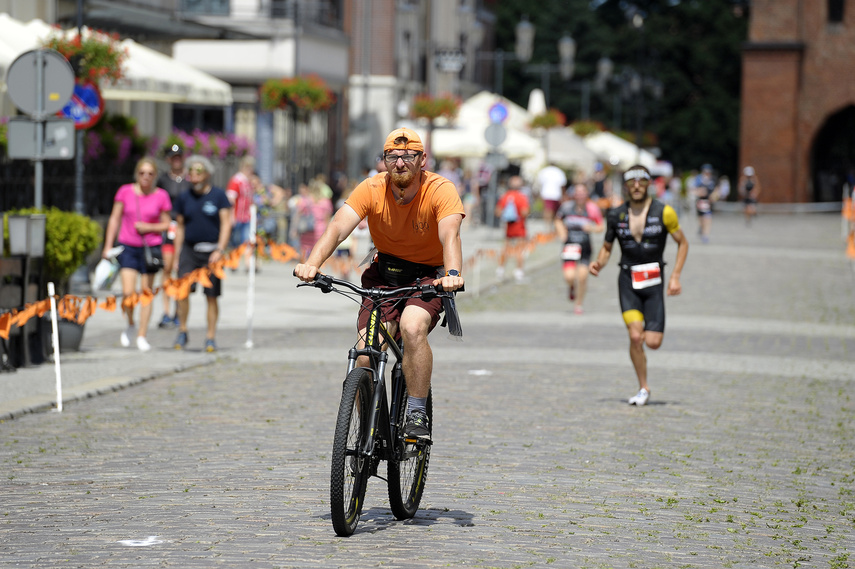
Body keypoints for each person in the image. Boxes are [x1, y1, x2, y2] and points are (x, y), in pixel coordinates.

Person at [293, 127, 465, 440]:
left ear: (422, 159)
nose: (400, 163)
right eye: (392, 156)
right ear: (384, 160)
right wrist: (311, 264)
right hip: (383, 275)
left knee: (413, 328)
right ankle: (366, 429)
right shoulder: (371, 188)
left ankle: (416, 409)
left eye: (408, 156)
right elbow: (337, 227)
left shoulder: (441, 189)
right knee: (363, 353)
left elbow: (450, 234)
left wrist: (452, 275)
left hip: (427, 277)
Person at [589, 164, 689, 407]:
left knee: (653, 342)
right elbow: (607, 248)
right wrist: (599, 264)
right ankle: (643, 387)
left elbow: (683, 243)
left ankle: (646, 349)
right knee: (635, 336)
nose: (636, 187)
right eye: (631, 183)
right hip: (627, 281)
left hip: (654, 282)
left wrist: (675, 275)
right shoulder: (615, 215)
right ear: (625, 186)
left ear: (648, 185)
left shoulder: (664, 212)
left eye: (641, 182)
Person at [101, 157, 172, 352]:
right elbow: (115, 219)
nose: (146, 177)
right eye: (142, 173)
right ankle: (131, 323)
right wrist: (107, 246)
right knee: (128, 293)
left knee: (146, 294)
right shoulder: (125, 191)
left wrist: (149, 227)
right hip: (128, 246)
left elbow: (167, 224)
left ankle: (142, 334)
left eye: (150, 173)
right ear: (136, 174)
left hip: (151, 248)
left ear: (155, 176)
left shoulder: (161, 195)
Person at [172, 155, 232, 353]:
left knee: (211, 296)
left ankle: (210, 336)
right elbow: (180, 227)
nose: (194, 175)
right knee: (182, 292)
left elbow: (226, 224)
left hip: (212, 251)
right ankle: (182, 329)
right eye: (191, 171)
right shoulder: (184, 197)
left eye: (198, 171)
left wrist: (220, 249)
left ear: (207, 174)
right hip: (189, 250)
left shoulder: (218, 196)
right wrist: (176, 255)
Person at [155, 143, 192, 329]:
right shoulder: (163, 180)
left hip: (185, 228)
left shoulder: (189, 179)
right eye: (173, 157)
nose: (176, 160)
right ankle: (166, 310)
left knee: (182, 269)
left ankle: (179, 310)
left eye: (179, 157)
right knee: (168, 268)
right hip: (169, 228)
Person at [555, 183, 605, 314]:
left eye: (583, 192)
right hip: (570, 246)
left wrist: (592, 228)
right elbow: (558, 220)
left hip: (585, 247)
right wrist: (561, 232)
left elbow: (601, 226)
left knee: (582, 277)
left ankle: (579, 304)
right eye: (577, 192)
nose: (580, 195)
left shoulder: (592, 209)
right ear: (574, 194)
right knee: (569, 276)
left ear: (587, 194)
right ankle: (571, 286)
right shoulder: (566, 207)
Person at [494, 175, 531, 282]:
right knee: (520, 250)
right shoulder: (522, 197)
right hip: (520, 227)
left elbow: (498, 212)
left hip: (508, 227)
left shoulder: (505, 196)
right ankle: (519, 271)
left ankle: (500, 269)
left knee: (506, 249)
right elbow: (525, 212)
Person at [226, 155, 256, 270]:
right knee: (235, 241)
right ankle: (234, 262)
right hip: (237, 216)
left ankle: (248, 263)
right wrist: (231, 215)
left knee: (247, 241)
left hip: (247, 217)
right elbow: (231, 199)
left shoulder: (248, 181)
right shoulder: (236, 180)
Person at [295, 180, 334, 261]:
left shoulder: (305, 200)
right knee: (317, 248)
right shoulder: (325, 202)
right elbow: (327, 217)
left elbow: (298, 214)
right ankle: (315, 267)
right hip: (320, 228)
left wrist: (295, 228)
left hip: (306, 228)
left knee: (304, 248)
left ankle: (303, 266)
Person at [694, 164, 717, 243]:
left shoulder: (712, 179)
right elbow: (695, 190)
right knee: (701, 219)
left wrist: (714, 196)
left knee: (708, 218)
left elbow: (716, 190)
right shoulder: (699, 179)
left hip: (709, 202)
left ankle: (705, 235)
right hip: (701, 202)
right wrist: (700, 192)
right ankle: (701, 228)